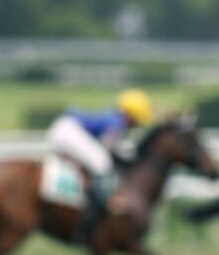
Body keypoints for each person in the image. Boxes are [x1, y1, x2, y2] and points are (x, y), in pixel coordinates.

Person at [45, 89, 155, 244]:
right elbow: (107, 147)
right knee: (101, 162)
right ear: (132, 114)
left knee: (99, 160)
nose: (138, 123)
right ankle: (106, 202)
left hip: (64, 128)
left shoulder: (114, 117)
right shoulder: (117, 122)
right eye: (138, 118)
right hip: (67, 131)